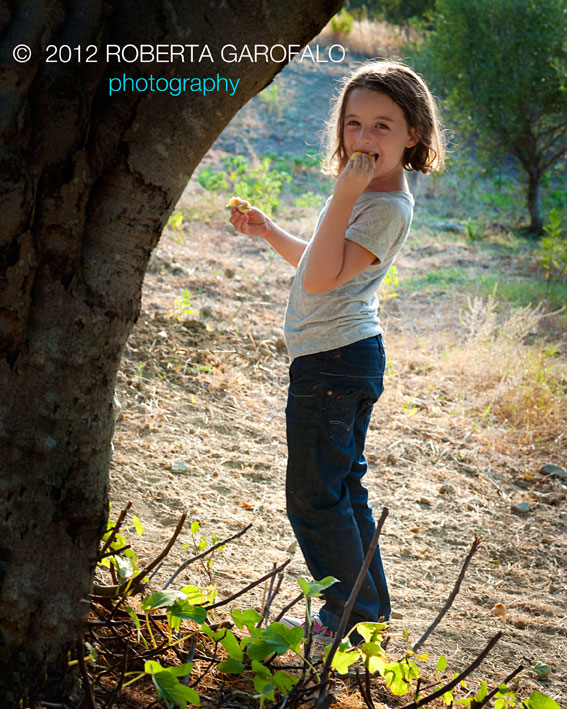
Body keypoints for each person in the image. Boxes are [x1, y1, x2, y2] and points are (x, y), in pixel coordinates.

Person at [229, 60, 445, 644]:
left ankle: (342, 614)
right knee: (342, 485)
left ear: (413, 134)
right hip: (340, 358)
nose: (364, 138)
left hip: (334, 362)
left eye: (382, 125)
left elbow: (323, 278)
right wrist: (271, 231)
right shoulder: (365, 193)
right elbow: (322, 265)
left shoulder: (383, 204)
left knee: (312, 493)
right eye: (353, 124)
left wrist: (344, 193)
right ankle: (365, 609)